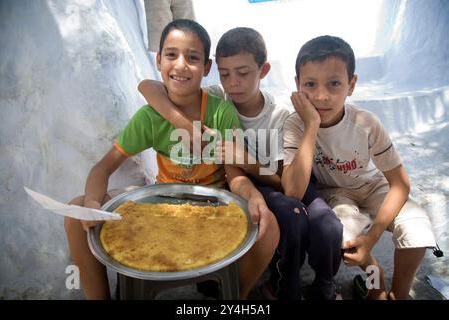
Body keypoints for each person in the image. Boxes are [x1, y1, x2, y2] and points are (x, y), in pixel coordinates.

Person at [63, 19, 279, 300]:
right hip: (161, 204)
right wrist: (93, 202)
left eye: (192, 57)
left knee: (269, 225)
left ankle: (234, 296)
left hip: (212, 207)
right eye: (171, 55)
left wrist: (253, 196)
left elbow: (234, 174)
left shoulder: (219, 112)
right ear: (158, 60)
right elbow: (103, 167)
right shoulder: (149, 117)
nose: (180, 65)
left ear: (206, 68)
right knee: (74, 211)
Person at [137, 27, 343, 300]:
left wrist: (245, 161)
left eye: (243, 73)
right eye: (225, 74)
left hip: (277, 179)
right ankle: (279, 283)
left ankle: (309, 284)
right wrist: (183, 124)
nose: (233, 82)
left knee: (319, 222)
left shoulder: (278, 116)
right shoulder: (216, 99)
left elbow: (283, 182)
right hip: (244, 186)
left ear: (264, 70)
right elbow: (147, 86)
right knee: (290, 214)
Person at [282, 35, 436, 300]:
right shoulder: (296, 125)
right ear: (297, 85)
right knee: (346, 237)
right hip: (335, 193)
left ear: (351, 85)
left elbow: (400, 184)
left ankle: (398, 294)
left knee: (417, 228)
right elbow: (293, 191)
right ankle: (375, 283)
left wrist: (374, 236)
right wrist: (312, 126)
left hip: (373, 186)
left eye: (334, 84)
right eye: (310, 84)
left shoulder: (366, 123)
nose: (321, 96)